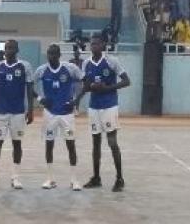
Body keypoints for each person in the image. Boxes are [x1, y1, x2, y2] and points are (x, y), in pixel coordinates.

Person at [77, 35, 130, 191]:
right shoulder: (86, 63)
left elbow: (127, 81)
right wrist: (80, 96)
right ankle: (96, 178)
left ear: (103, 45)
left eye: (96, 44)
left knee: (112, 142)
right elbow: (86, 85)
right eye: (91, 44)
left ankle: (119, 178)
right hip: (94, 107)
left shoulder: (112, 61)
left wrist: (107, 88)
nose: (93, 46)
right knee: (95, 144)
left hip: (109, 106)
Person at [0, 39, 35, 190]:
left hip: (18, 112)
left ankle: (16, 177)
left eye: (11, 48)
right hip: (0, 112)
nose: (8, 50)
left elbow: (29, 89)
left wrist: (31, 109)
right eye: (7, 48)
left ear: (17, 49)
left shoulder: (25, 66)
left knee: (17, 144)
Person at [33, 44, 83, 190]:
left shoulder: (70, 68)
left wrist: (75, 101)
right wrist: (40, 99)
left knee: (71, 145)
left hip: (67, 114)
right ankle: (50, 179)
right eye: (49, 54)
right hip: (50, 114)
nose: (51, 56)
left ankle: (74, 180)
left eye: (54, 54)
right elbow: (29, 86)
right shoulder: (41, 70)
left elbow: (84, 82)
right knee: (49, 145)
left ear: (59, 55)